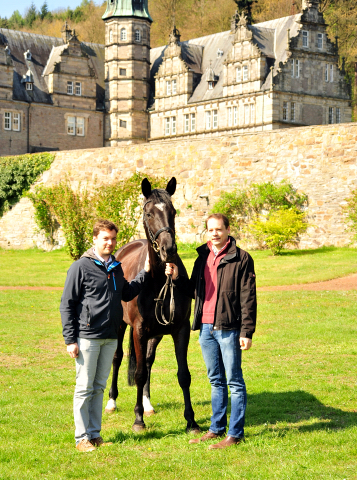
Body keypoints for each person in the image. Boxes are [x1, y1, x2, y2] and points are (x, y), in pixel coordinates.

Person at [165, 213, 256, 450]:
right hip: (206, 328)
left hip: (229, 328)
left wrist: (247, 332)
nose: (214, 233)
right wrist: (176, 277)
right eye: (210, 230)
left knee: (234, 381)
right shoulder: (202, 257)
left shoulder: (242, 258)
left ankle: (235, 434)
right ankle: (216, 429)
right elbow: (194, 289)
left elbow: (248, 298)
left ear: (227, 230)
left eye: (218, 229)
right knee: (215, 380)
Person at [60, 219, 150, 452]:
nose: (110, 243)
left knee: (99, 386)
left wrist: (145, 273)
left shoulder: (115, 267)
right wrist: (70, 339)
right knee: (84, 387)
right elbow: (67, 304)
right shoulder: (81, 266)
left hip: (110, 336)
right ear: (95, 240)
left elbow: (127, 292)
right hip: (88, 335)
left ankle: (95, 434)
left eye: (112, 239)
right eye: (105, 239)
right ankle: (81, 438)